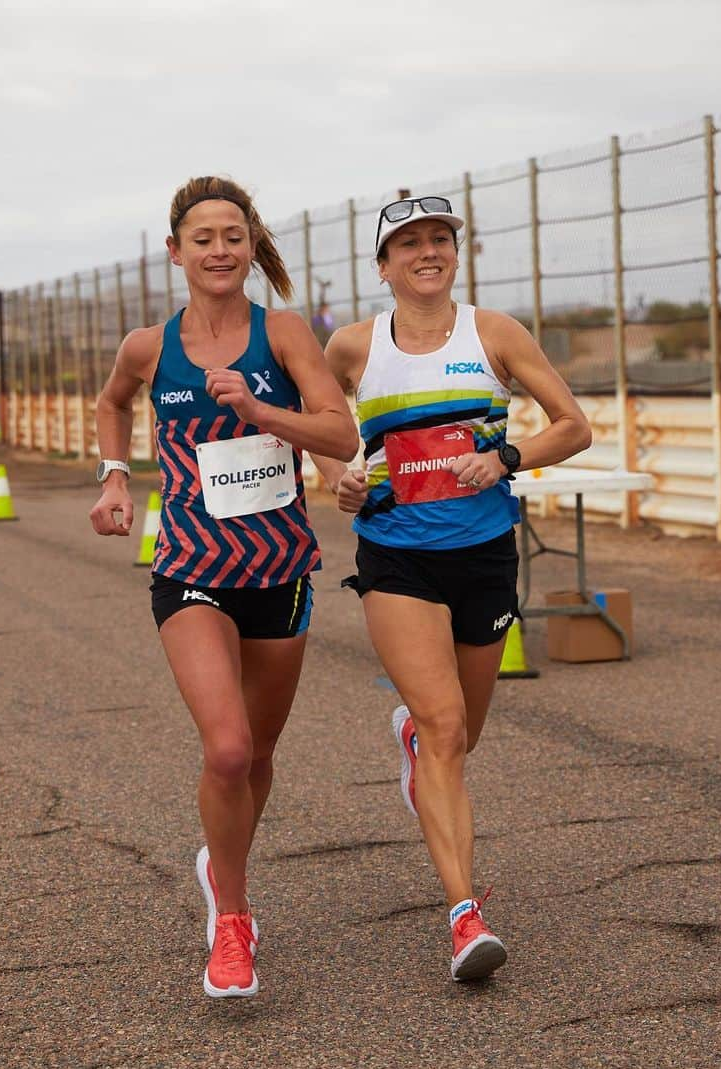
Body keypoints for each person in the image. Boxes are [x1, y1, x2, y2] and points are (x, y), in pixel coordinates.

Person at [89, 176, 359, 999]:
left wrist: (262, 411)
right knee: (229, 748)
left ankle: (224, 861)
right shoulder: (149, 345)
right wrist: (112, 477)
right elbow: (113, 402)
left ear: (250, 247)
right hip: (191, 572)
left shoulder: (281, 334)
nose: (218, 249)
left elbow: (341, 430)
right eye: (201, 237)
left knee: (262, 754)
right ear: (175, 252)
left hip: (279, 571)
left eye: (232, 236)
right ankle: (233, 921)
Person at [311, 195, 592, 982]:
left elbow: (573, 424)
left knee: (460, 735)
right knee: (442, 727)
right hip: (395, 558)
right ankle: (465, 914)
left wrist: (508, 458)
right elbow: (320, 427)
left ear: (455, 255)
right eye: (410, 244)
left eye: (440, 239)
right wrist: (340, 479)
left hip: (483, 557)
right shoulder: (352, 347)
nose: (427, 252)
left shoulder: (494, 334)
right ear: (383, 266)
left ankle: (415, 742)